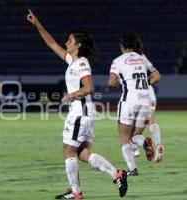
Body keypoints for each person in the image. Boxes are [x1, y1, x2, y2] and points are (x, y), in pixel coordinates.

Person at [27, 9, 128, 199]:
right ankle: (117, 175)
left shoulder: (81, 63)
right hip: (85, 113)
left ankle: (76, 192)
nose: (66, 42)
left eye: (70, 40)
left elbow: (89, 87)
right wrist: (37, 24)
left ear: (78, 45)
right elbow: (52, 44)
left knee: (68, 150)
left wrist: (70, 95)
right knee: (83, 153)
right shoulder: (72, 61)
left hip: (79, 113)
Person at [107, 31, 161, 176]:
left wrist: (116, 84)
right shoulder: (142, 58)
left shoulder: (117, 61)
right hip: (145, 101)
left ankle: (133, 169)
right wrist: (143, 83)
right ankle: (144, 142)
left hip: (129, 101)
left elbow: (111, 82)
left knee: (124, 138)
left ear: (122, 45)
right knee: (134, 135)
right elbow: (157, 76)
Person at [129, 36, 164, 163]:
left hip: (135, 96)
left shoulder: (125, 60)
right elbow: (158, 76)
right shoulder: (142, 57)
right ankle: (158, 145)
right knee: (150, 121)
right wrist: (146, 82)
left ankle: (135, 149)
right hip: (149, 93)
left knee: (131, 127)